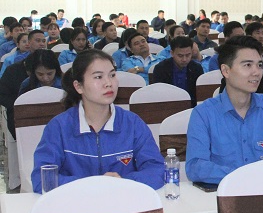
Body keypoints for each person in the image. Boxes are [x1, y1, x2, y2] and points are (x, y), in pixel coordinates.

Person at [30, 49, 164, 193]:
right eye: (98, 77)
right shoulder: (59, 127)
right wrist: (93, 184)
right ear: (78, 86)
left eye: (112, 75)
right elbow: (41, 179)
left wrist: (123, 182)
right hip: (76, 204)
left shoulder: (132, 123)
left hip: (122, 201)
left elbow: (157, 170)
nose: (108, 83)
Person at [185, 36, 263, 184]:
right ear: (226, 70)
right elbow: (196, 167)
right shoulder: (203, 114)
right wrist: (243, 177)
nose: (256, 72)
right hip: (224, 192)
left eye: (259, 65)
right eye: (247, 65)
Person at [152, 36, 204, 105]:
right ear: (172, 53)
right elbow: (158, 95)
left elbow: (199, 95)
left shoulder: (196, 68)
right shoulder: (161, 69)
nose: (184, 59)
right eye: (180, 56)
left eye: (188, 55)